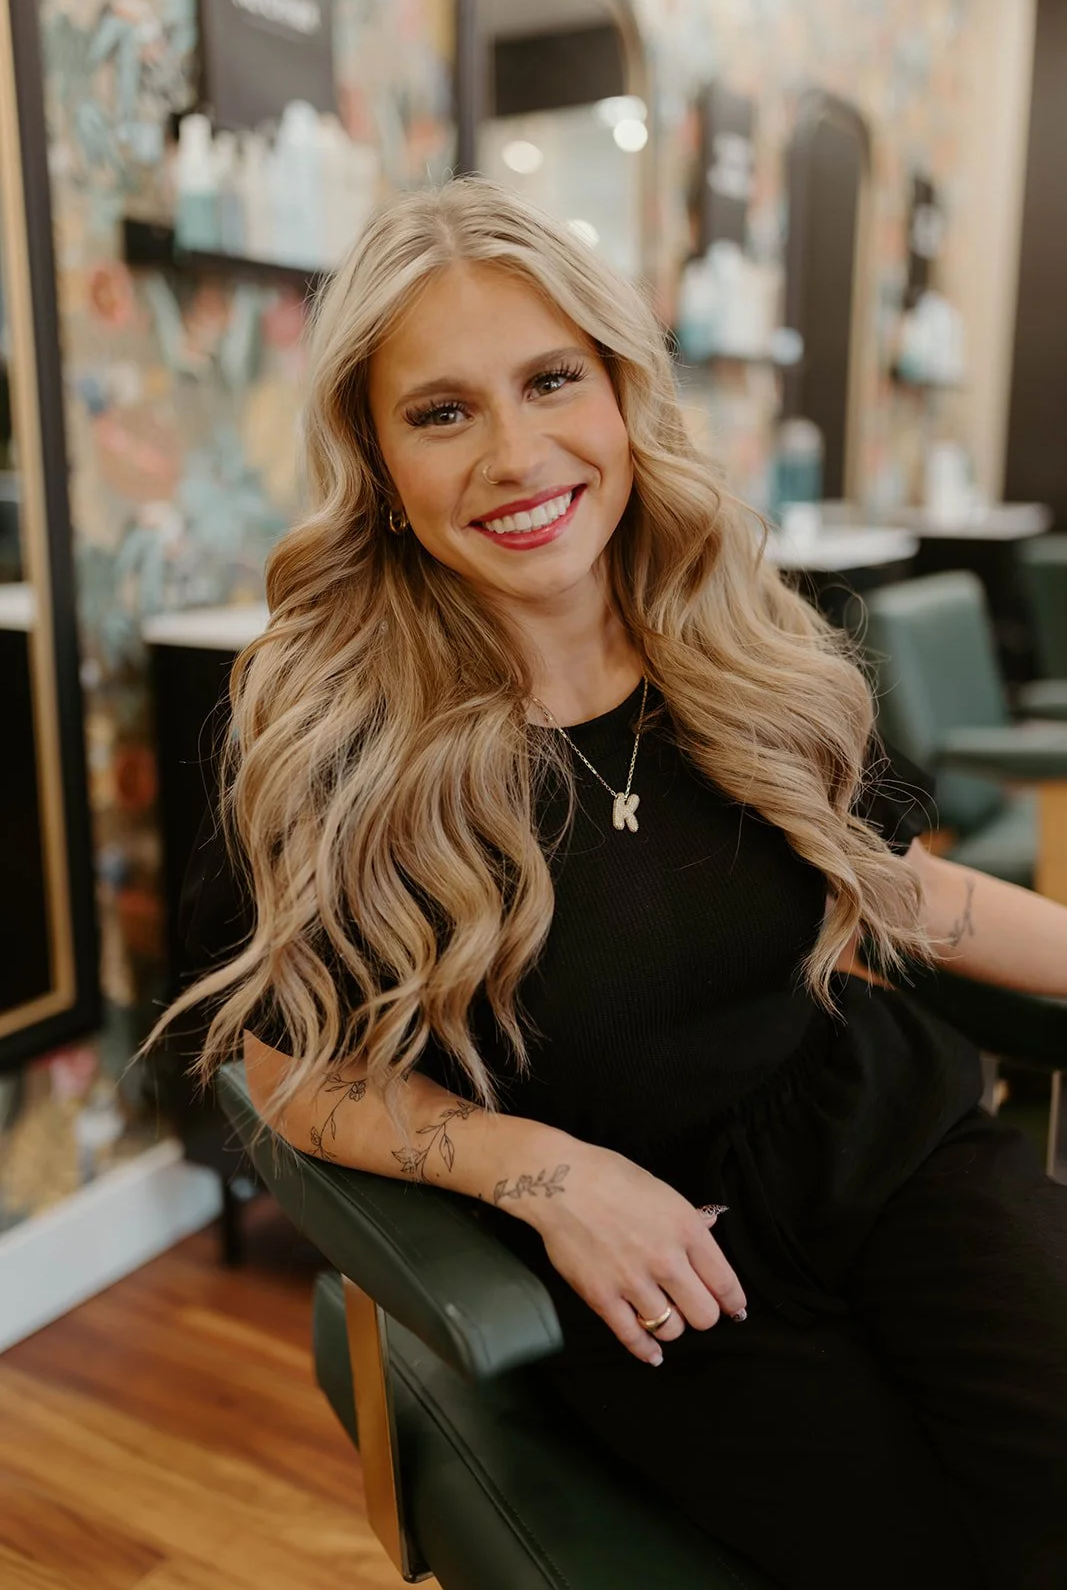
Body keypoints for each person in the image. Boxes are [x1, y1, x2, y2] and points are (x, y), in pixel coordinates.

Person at [155, 177, 1067, 1590]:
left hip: (885, 1146)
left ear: (620, 394)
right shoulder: (328, 736)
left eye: (550, 381)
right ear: (378, 461)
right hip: (649, 1262)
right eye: (442, 411)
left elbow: (887, 888)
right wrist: (547, 1177)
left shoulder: (747, 638)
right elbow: (280, 1068)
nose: (517, 455)